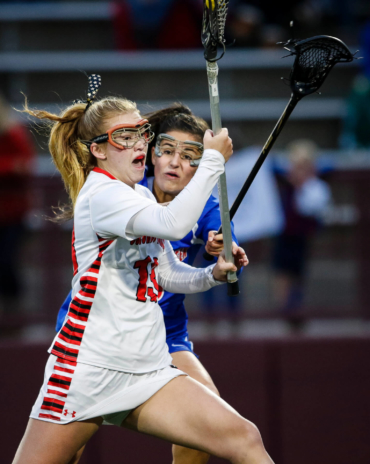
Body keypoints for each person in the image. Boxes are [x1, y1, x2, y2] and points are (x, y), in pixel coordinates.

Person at [13, 75, 273, 464]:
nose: (138, 144)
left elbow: (165, 272)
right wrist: (212, 159)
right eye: (124, 137)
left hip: (147, 367)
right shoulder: (102, 195)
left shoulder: (139, 193)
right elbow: (175, 224)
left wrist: (211, 275)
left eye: (141, 133)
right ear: (98, 150)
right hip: (88, 370)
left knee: (245, 439)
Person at [56, 103, 239, 464]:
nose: (174, 162)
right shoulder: (124, 193)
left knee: (208, 428)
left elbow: (216, 235)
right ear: (152, 153)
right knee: (65, 449)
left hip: (163, 335)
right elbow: (171, 222)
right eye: (167, 150)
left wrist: (223, 248)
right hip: (98, 335)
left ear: (200, 166)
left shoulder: (202, 204)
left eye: (189, 156)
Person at [272, 139, 331, 317]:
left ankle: (295, 308)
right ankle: (284, 309)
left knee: (298, 273)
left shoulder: (314, 187)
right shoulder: (286, 184)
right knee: (282, 272)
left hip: (302, 237)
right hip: (285, 235)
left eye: (305, 166)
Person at [0, 94, 36, 316]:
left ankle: (14, 314)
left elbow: (24, 165)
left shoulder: (12, 134)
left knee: (6, 263)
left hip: (12, 214)